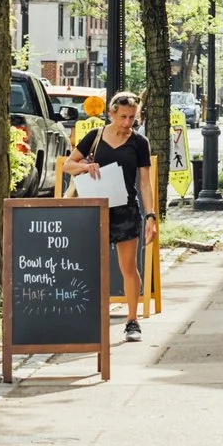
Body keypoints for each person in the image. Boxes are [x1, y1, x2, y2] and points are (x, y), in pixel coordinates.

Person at [72, 91, 155, 342]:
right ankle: (90, 317)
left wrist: (150, 215)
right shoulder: (95, 137)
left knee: (128, 266)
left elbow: (144, 182)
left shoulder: (139, 142)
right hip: (96, 208)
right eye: (123, 117)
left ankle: (132, 320)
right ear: (111, 114)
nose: (128, 123)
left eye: (132, 117)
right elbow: (68, 165)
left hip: (126, 207)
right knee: (91, 264)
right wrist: (86, 166)